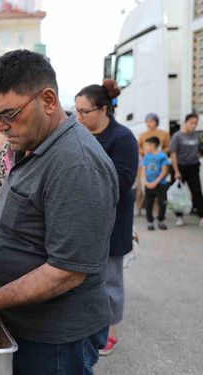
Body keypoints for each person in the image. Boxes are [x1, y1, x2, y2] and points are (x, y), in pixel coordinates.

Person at [0, 50, 117, 374]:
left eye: (9, 113)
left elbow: (66, 271)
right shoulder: (33, 143)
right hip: (28, 327)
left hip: (56, 339)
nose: (0, 126)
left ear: (48, 100)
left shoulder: (75, 164)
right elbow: (39, 215)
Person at [75, 79, 139, 356]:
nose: (78, 117)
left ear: (103, 110)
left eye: (84, 111)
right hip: (83, 220)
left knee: (110, 279)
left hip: (113, 221)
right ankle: (89, 325)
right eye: (76, 111)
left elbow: (123, 179)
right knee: (86, 278)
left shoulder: (122, 138)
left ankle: (110, 330)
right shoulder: (79, 135)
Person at [170, 113, 203, 227]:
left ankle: (201, 216)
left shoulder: (195, 136)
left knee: (197, 191)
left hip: (193, 167)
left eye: (195, 123)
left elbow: (198, 150)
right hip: (180, 167)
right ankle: (179, 217)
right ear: (186, 122)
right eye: (191, 123)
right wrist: (176, 171)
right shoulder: (177, 136)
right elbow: (173, 154)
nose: (193, 125)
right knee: (178, 194)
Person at [136, 113, 171, 215]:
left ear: (156, 121)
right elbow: (138, 148)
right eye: (147, 121)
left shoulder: (164, 134)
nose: (149, 123)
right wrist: (145, 153)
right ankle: (138, 208)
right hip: (145, 163)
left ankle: (156, 210)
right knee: (141, 187)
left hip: (159, 164)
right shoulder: (143, 135)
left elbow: (168, 146)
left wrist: (160, 154)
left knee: (158, 188)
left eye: (151, 121)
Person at [141, 136, 170, 230]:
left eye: (146, 145)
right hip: (149, 184)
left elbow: (164, 171)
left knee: (162, 202)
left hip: (160, 184)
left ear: (153, 145)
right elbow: (143, 170)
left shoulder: (162, 156)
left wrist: (156, 182)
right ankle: (150, 221)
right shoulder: (146, 156)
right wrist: (145, 182)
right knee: (148, 203)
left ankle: (160, 220)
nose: (145, 147)